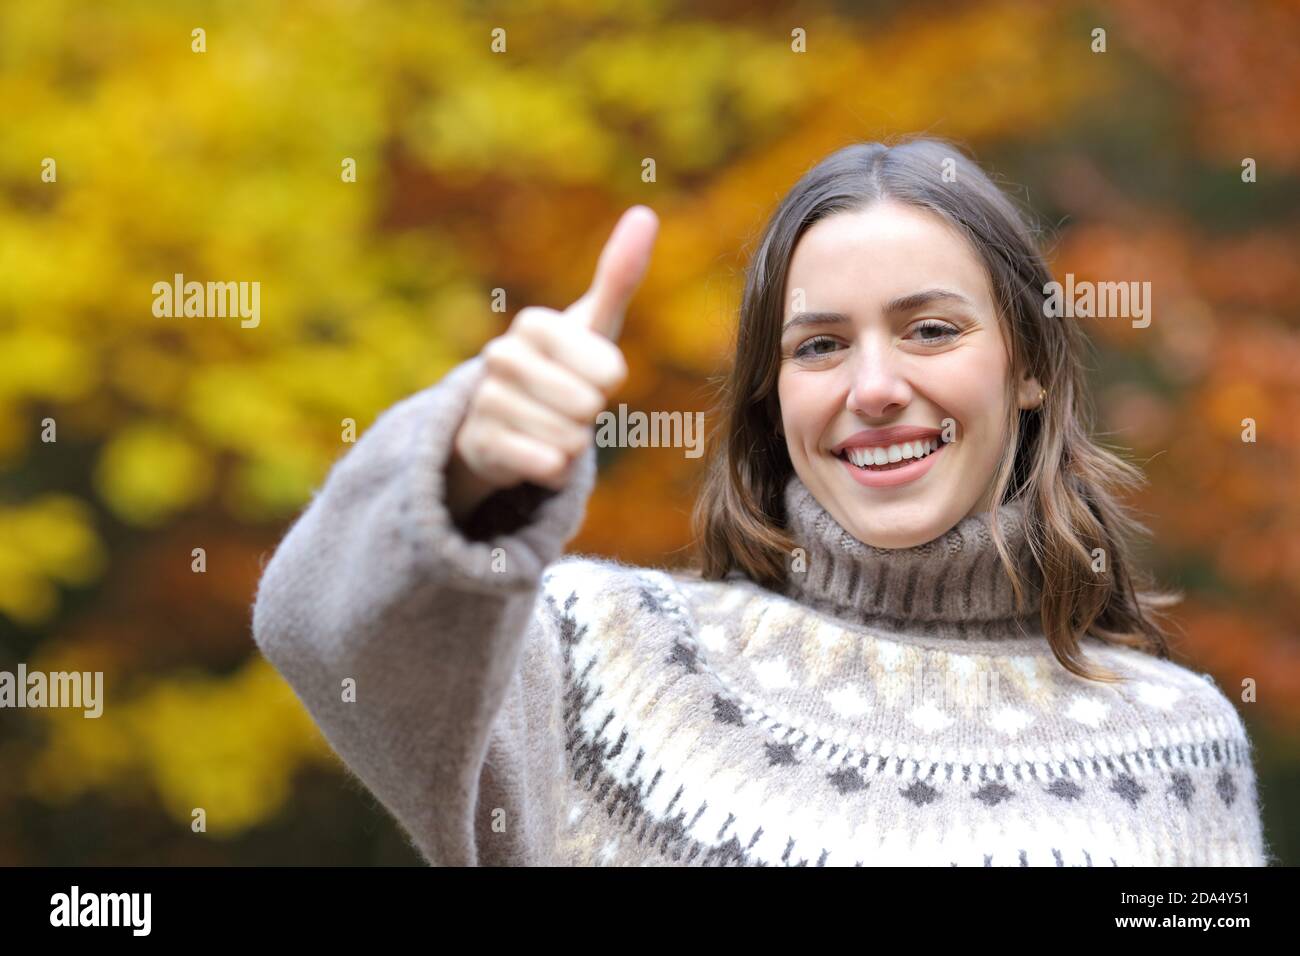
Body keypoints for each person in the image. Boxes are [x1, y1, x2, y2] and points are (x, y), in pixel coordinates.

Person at [251, 137, 1271, 866]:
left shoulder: (1169, 744)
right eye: (819, 344)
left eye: (928, 330)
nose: (872, 386)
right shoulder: (600, 657)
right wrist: (462, 466)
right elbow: (318, 632)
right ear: (772, 391)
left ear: (1030, 365)